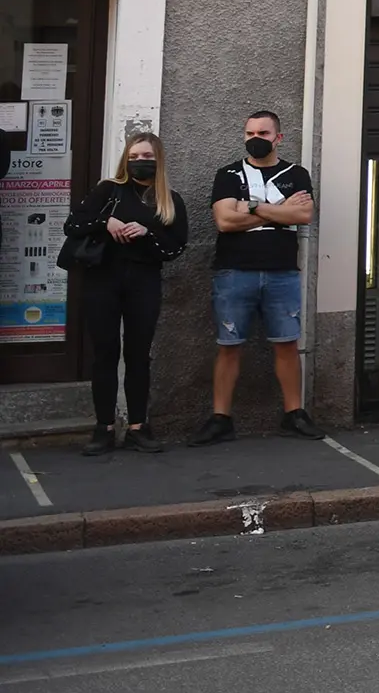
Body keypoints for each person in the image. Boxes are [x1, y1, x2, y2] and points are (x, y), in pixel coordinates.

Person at [189, 110, 323, 444]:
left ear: (278, 137)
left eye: (263, 133)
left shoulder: (296, 174)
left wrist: (248, 207)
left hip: (282, 272)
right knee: (229, 346)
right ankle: (221, 419)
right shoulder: (229, 174)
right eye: (249, 133)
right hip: (234, 272)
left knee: (287, 344)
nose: (255, 139)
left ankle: (293, 414)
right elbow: (224, 222)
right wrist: (278, 211)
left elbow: (304, 214)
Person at [63, 133, 187, 454]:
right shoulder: (109, 190)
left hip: (144, 282)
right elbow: (73, 224)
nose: (139, 161)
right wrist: (107, 222)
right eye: (133, 156)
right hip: (103, 279)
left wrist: (148, 234)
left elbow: (176, 247)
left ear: (157, 158)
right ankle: (103, 427)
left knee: (138, 355)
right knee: (104, 353)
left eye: (146, 155)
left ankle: (137, 426)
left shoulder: (168, 199)